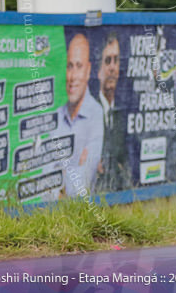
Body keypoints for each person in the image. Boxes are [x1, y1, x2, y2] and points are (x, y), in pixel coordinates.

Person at [53, 33, 105, 196]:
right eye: (70, 66)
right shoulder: (55, 117)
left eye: (79, 66)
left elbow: (81, 186)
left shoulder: (96, 115)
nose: (72, 77)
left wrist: (60, 182)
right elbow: (42, 182)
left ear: (88, 71)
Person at [96, 32, 131, 193]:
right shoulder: (89, 112)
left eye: (116, 60)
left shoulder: (124, 112)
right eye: (107, 61)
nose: (112, 67)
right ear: (98, 69)